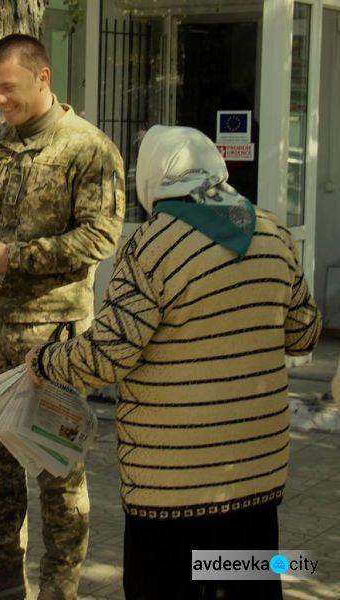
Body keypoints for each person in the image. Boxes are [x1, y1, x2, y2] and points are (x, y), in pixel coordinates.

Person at [25, 125, 322, 600]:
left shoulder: (152, 246)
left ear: (154, 176)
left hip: (171, 484)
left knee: (164, 587)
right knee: (248, 583)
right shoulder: (273, 232)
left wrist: (45, 361)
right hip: (255, 473)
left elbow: (107, 356)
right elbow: (304, 332)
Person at [0, 34, 125, 600]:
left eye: (9, 89)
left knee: (56, 468)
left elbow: (100, 236)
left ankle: (59, 586)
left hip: (54, 340)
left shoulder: (87, 149)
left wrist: (14, 255)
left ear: (43, 78)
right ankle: (1, 569)